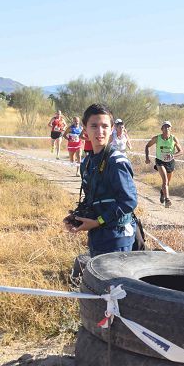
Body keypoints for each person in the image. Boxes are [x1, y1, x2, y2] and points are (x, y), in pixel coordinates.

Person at [64, 104, 138, 256]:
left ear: (112, 129)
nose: (100, 131)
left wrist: (98, 221)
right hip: (97, 236)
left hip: (118, 238)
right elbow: (93, 198)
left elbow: (128, 201)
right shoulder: (87, 162)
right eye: (94, 126)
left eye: (105, 126)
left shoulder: (116, 162)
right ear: (85, 130)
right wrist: (77, 218)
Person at [145, 121, 182, 207]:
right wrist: (147, 158)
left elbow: (181, 151)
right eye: (165, 127)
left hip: (170, 162)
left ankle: (162, 192)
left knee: (167, 182)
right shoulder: (157, 138)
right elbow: (147, 146)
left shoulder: (174, 139)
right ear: (162, 129)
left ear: (171, 129)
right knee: (165, 180)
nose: (167, 128)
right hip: (160, 161)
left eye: (168, 127)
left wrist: (173, 155)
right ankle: (167, 200)